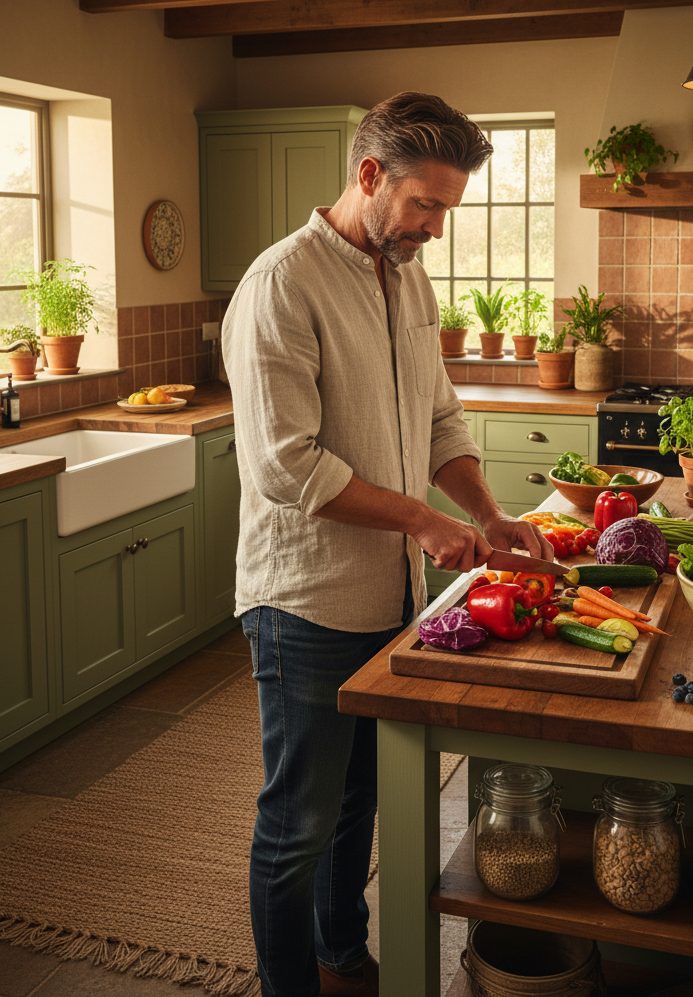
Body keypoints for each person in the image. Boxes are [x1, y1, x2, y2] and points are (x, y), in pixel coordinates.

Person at [222, 92, 551, 997]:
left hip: (394, 597)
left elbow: (439, 416)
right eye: (426, 206)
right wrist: (421, 520)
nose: (437, 230)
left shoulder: (407, 276)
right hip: (306, 602)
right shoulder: (279, 285)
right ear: (371, 176)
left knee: (359, 803)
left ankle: (341, 957)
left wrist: (484, 514)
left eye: (448, 208)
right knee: (298, 823)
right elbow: (287, 466)